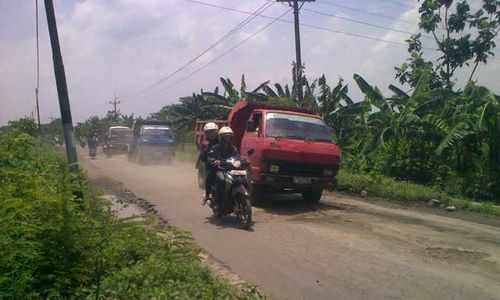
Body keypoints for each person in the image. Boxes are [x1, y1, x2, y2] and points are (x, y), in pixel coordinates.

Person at [206, 126, 238, 212]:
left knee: (241, 178)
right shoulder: (215, 148)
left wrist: (243, 160)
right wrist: (214, 160)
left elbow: (237, 157)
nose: (228, 138)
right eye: (226, 136)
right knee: (221, 180)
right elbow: (210, 157)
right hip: (220, 169)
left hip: (231, 169)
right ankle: (217, 202)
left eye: (229, 136)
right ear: (221, 137)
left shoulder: (233, 148)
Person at [200, 122, 219, 204]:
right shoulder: (205, 144)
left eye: (213, 131)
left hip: (222, 163)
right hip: (210, 164)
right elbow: (203, 158)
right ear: (206, 133)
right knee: (209, 178)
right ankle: (207, 195)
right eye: (209, 132)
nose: (211, 134)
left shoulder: (221, 140)